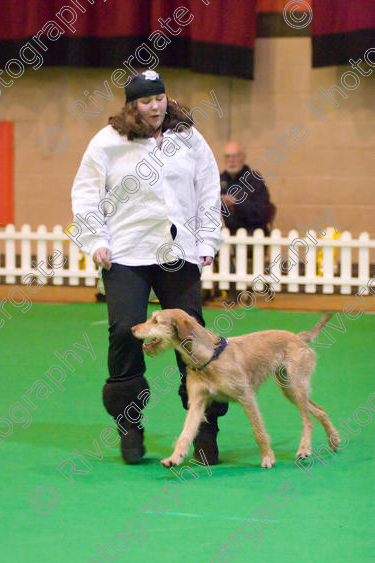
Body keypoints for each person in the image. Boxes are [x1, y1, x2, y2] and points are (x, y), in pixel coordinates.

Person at [70, 70, 228, 465]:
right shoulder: (108, 142)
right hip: (126, 252)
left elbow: (208, 190)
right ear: (132, 105)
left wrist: (208, 240)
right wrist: (96, 240)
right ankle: (130, 427)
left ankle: (205, 433)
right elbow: (86, 193)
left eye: (159, 97)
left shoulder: (189, 138)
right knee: (125, 332)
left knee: (192, 338)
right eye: (145, 100)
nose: (155, 105)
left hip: (179, 251)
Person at [220, 141, 274, 235]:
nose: (231, 160)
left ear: (243, 158)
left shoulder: (254, 180)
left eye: (235, 156)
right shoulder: (219, 180)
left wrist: (235, 203)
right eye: (227, 157)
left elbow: (262, 212)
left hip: (252, 232)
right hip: (224, 233)